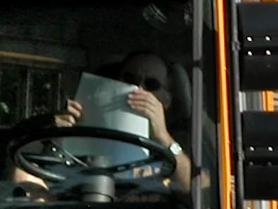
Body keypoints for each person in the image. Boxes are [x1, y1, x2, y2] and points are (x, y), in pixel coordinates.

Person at [49, 50, 193, 194]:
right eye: (130, 80)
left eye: (151, 84)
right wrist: (60, 136)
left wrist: (164, 138)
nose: (138, 89)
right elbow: (47, 183)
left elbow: (199, 189)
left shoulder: (187, 139)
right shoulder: (84, 130)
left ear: (167, 99)